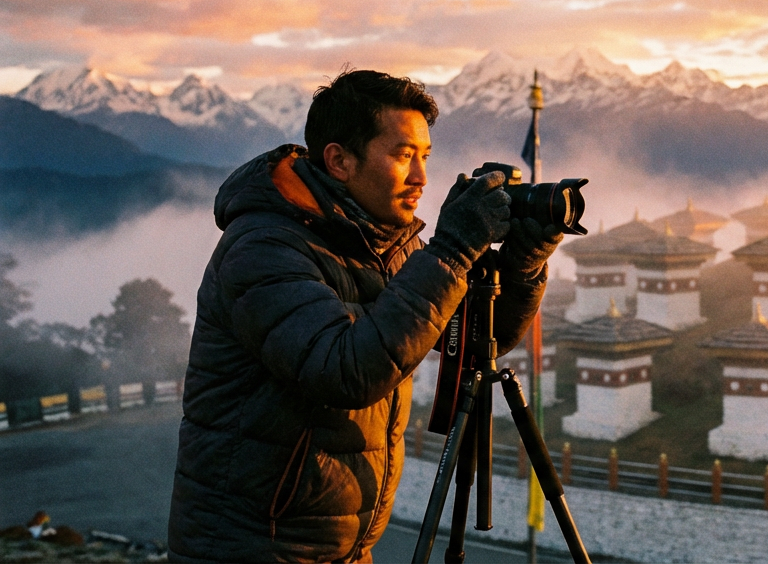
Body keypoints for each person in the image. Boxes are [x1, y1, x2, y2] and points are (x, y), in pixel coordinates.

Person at [168, 70, 562, 562]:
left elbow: (479, 335)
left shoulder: (387, 242)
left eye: (425, 157)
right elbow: (347, 370)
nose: (421, 177)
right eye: (403, 156)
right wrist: (453, 251)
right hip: (251, 549)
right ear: (339, 161)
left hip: (344, 549)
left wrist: (523, 264)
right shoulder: (264, 247)